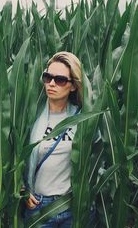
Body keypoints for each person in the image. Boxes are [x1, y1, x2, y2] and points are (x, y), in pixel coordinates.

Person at [23, 51, 83, 227]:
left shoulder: (81, 117)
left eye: (60, 80)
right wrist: (22, 190)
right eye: (47, 77)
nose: (51, 83)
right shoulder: (30, 117)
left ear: (73, 86)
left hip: (70, 206)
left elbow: (96, 156)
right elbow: (13, 154)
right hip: (39, 206)